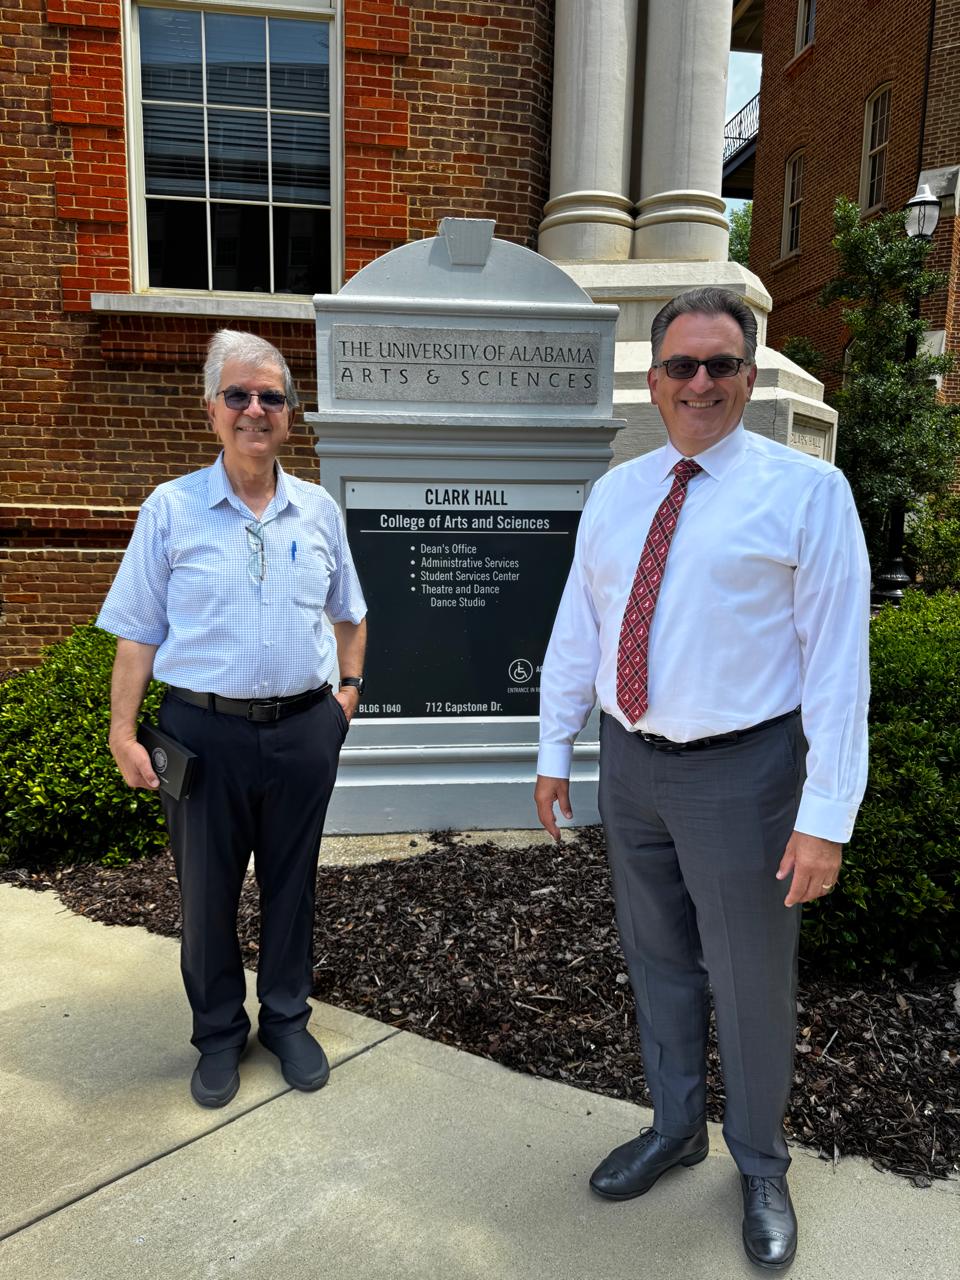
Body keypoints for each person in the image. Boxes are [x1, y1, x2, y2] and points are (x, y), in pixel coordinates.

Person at [535, 288, 869, 1270]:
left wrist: (826, 815)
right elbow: (580, 627)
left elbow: (837, 665)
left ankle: (760, 1162)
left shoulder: (807, 494)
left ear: (748, 377)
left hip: (745, 775)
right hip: (631, 766)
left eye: (721, 365)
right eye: (682, 365)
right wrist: (556, 748)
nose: (701, 383)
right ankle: (677, 1126)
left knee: (749, 978)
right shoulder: (617, 492)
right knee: (659, 963)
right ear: (655, 380)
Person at [98, 330, 367, 1109]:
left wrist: (346, 696)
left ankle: (285, 1019)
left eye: (271, 397)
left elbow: (350, 613)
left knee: (293, 885)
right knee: (207, 894)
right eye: (238, 395)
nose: (256, 409)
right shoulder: (172, 509)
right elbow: (137, 632)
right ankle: (218, 1033)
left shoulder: (317, 510)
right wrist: (122, 732)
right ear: (211, 409)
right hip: (202, 735)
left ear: (289, 414)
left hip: (303, 729)